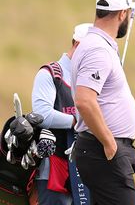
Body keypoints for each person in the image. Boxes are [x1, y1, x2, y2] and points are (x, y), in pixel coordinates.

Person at [71, 0, 135, 205]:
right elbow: (84, 101)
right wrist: (110, 142)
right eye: (129, 15)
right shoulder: (98, 50)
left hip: (100, 150)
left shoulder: (97, 45)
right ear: (122, 14)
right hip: (103, 150)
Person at [31, 23, 92, 205]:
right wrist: (78, 120)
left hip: (84, 167)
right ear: (77, 45)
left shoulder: (91, 80)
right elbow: (42, 114)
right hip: (53, 169)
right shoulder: (50, 73)